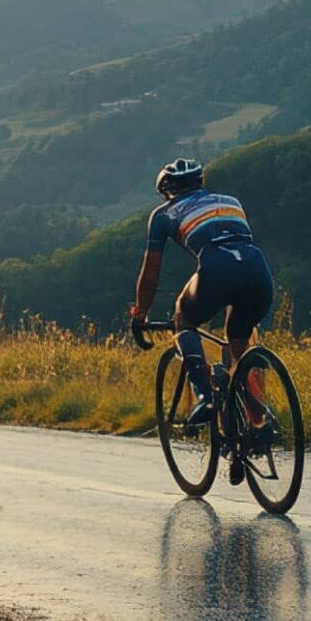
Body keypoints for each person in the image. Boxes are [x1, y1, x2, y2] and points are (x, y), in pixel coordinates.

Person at [129, 158, 278, 444]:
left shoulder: (163, 214)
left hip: (216, 268)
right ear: (200, 182)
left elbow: (150, 273)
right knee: (239, 342)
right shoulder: (230, 201)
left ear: (166, 191)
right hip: (257, 270)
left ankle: (205, 397)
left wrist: (141, 314)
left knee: (183, 319)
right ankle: (258, 424)